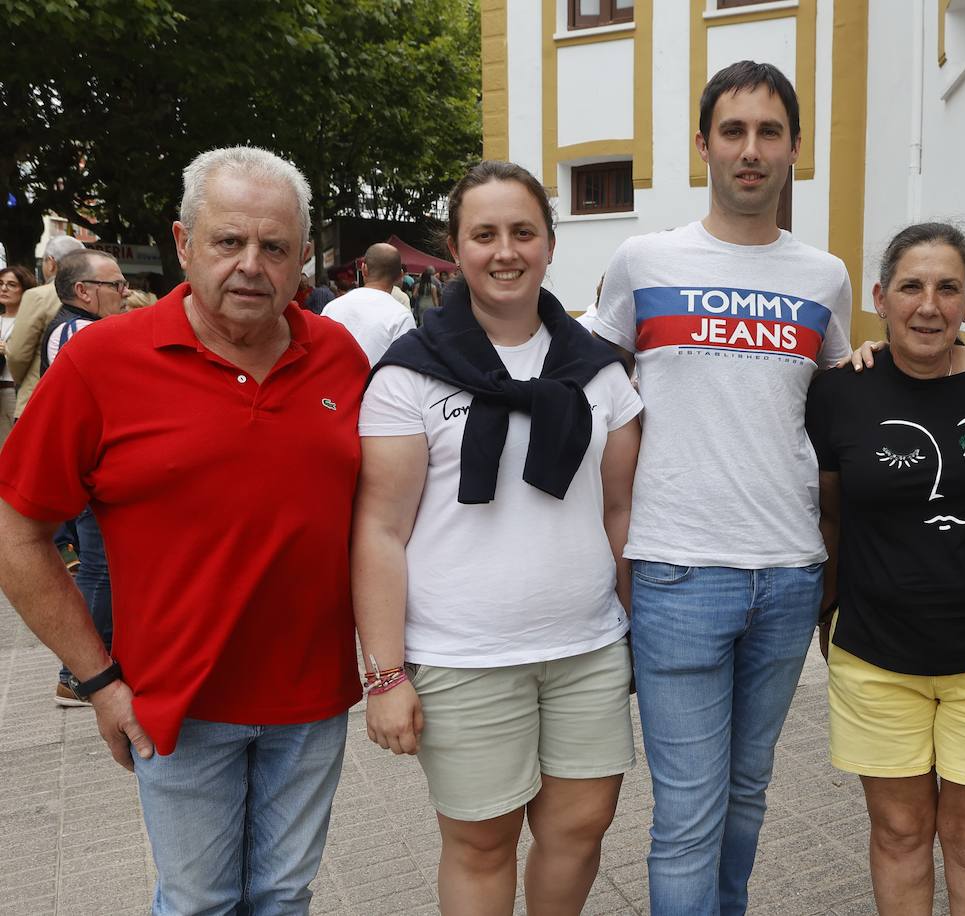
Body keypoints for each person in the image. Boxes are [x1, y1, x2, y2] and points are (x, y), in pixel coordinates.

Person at [0, 145, 369, 913]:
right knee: (198, 902)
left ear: (303, 258)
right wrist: (98, 682)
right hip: (176, 706)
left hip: (311, 702)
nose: (250, 266)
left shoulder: (337, 356)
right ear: (182, 243)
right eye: (228, 241)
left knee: (284, 895)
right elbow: (17, 530)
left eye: (273, 247)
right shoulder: (104, 360)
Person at [590, 60, 852, 914]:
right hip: (675, 571)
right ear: (703, 143)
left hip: (788, 573)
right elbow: (585, 384)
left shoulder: (825, 276)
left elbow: (841, 397)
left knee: (747, 799)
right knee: (688, 817)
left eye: (769, 132)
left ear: (795, 149)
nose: (750, 150)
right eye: (733, 131)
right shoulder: (644, 260)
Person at [353, 160, 641, 916]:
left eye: (523, 232)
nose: (504, 250)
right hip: (462, 655)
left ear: (549, 244)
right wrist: (384, 675)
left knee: (580, 828)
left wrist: (638, 627)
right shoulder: (408, 375)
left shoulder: (600, 374)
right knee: (483, 844)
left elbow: (620, 512)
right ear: (456, 248)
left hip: (586, 649)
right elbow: (380, 530)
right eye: (484, 235)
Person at [807, 223, 965, 915]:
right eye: (911, 286)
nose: (928, 304)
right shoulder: (837, 393)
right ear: (881, 297)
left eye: (948, 288)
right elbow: (830, 515)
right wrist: (826, 614)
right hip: (877, 658)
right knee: (899, 832)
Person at [36, 248, 130, 707]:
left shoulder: (80, 327)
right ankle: (76, 673)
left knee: (102, 567)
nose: (125, 292)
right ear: (84, 291)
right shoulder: (78, 331)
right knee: (99, 568)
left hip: (93, 466)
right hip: (94, 468)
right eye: (116, 285)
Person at [8, 234, 86, 419]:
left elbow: (18, 353)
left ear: (51, 263)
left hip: (37, 396)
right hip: (79, 401)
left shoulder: (37, 296)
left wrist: (20, 381)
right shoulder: (92, 293)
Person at [321, 241, 416, 366]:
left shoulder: (332, 307)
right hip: (377, 384)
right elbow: (407, 365)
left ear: (364, 269)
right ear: (400, 275)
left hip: (334, 383)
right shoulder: (402, 317)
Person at [0, 264, 38, 448]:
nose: (4, 288)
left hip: (15, 390)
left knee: (14, 445)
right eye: (0, 283)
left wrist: (7, 349)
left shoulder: (30, 321)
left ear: (25, 290)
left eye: (12, 285)